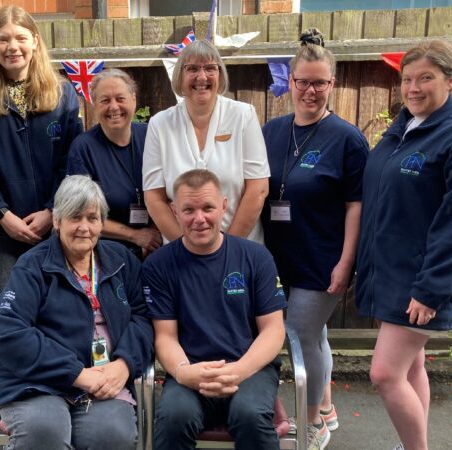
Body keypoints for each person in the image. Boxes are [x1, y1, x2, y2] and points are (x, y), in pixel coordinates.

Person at [356, 40, 452, 450]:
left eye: (426, 78)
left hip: (419, 279)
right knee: (412, 364)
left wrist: (431, 288)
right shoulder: (400, 131)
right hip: (387, 273)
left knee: (385, 374)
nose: (413, 88)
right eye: (407, 79)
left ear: (451, 81)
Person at [0, 175, 154, 450]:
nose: (84, 227)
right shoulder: (33, 267)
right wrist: (77, 373)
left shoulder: (122, 261)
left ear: (102, 222)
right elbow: (7, 332)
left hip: (104, 379)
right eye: (75, 217)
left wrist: (124, 365)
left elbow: (143, 318)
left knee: (113, 435)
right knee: (45, 432)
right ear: (57, 221)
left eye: (93, 218)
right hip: (39, 383)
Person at [260, 29, 368, 450]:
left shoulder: (347, 139)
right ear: (290, 81)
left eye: (319, 82)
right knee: (315, 335)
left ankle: (311, 423)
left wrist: (346, 263)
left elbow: (356, 206)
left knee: (301, 332)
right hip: (275, 255)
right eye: (302, 81)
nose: (310, 90)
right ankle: (327, 407)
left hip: (322, 258)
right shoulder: (271, 131)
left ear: (332, 84)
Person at [144, 169, 287, 450]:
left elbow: (273, 330)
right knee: (174, 417)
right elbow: (165, 335)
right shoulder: (158, 266)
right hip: (191, 369)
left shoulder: (256, 257)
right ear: (174, 211)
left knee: (249, 415)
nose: (199, 219)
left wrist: (239, 370)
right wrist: (184, 372)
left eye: (208, 207)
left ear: (223, 205)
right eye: (189, 210)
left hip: (250, 369)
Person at [0, 5, 83, 305]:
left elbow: (73, 162)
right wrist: (2, 215)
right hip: (2, 234)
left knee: (58, 310)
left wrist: (52, 211)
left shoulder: (63, 96)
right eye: (3, 39)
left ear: (35, 41)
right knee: (9, 313)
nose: (13, 47)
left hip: (55, 229)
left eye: (21, 38)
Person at [142, 39, 269, 244]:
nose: (202, 77)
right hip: (182, 256)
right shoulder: (160, 124)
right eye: (192, 69)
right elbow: (154, 199)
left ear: (220, 74)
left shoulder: (243, 115)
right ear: (180, 76)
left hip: (240, 247)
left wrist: (225, 250)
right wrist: (187, 249)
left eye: (210, 68)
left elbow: (258, 189)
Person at [67, 69, 162, 259]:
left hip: (159, 243)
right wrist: (136, 236)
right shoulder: (83, 148)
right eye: (105, 100)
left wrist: (155, 232)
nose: (113, 107)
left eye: (120, 98)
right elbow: (80, 213)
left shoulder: (152, 135)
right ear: (94, 104)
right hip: (108, 251)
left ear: (133, 99)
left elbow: (172, 193)